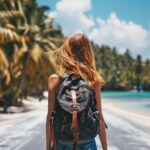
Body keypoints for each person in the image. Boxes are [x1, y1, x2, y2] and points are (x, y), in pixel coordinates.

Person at [46, 33, 108, 150]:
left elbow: (50, 118)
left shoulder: (54, 80)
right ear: (88, 52)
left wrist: (48, 148)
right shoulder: (93, 80)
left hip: (62, 142)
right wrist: (105, 148)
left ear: (66, 52)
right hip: (88, 141)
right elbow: (99, 116)